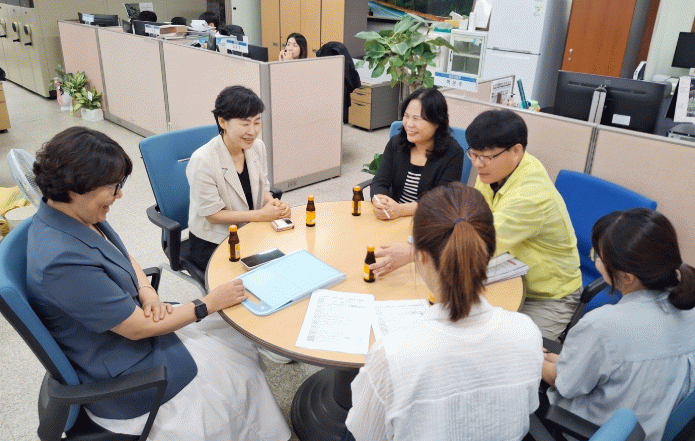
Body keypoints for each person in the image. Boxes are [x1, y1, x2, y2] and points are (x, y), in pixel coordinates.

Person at [26, 127, 291, 441]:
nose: (119, 195)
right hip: (125, 365)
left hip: (131, 325)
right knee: (234, 375)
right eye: (113, 186)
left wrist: (147, 292)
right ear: (74, 188)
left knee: (234, 335)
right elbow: (138, 329)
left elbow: (122, 256)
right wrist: (208, 302)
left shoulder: (74, 215)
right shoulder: (62, 262)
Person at [345, 182, 543, 441]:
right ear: (488, 251)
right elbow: (525, 411)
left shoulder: (392, 356)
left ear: (421, 256)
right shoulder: (527, 333)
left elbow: (364, 434)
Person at [370, 109, 581, 340]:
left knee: (506, 347)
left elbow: (477, 240)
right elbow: (469, 218)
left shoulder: (530, 195)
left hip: (547, 296)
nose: (478, 165)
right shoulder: (496, 170)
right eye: (474, 155)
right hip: (504, 272)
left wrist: (415, 251)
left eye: (485, 157)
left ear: (516, 151)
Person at [543, 208, 695, 441]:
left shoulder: (602, 326)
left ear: (627, 277)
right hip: (651, 423)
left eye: (598, 255)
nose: (596, 260)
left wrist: (530, 357)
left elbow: (564, 383)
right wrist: (556, 359)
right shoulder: (689, 308)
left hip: (592, 429)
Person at [187, 86, 291, 271]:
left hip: (250, 228)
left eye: (257, 122)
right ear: (222, 122)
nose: (252, 131)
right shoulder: (203, 160)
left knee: (288, 258)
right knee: (257, 274)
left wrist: (274, 204)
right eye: (245, 123)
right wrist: (261, 215)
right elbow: (212, 215)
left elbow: (262, 188)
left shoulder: (257, 147)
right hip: (214, 240)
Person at [369, 88, 463, 220]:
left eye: (416, 119)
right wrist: (380, 201)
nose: (409, 124)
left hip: (427, 221)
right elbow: (380, 181)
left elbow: (441, 201)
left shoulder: (453, 153)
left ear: (437, 122)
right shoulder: (396, 143)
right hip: (393, 216)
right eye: (406, 116)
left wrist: (401, 210)